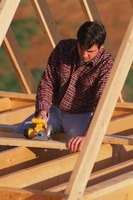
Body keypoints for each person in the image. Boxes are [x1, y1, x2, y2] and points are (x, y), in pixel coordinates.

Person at [15, 21, 114, 152]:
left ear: (101, 47)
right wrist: (42, 111)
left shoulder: (106, 65)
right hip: (54, 110)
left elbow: (102, 103)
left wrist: (89, 135)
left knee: (80, 148)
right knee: (18, 134)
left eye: (90, 51)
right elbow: (47, 81)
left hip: (80, 116)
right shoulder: (63, 49)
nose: (84, 55)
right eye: (81, 48)